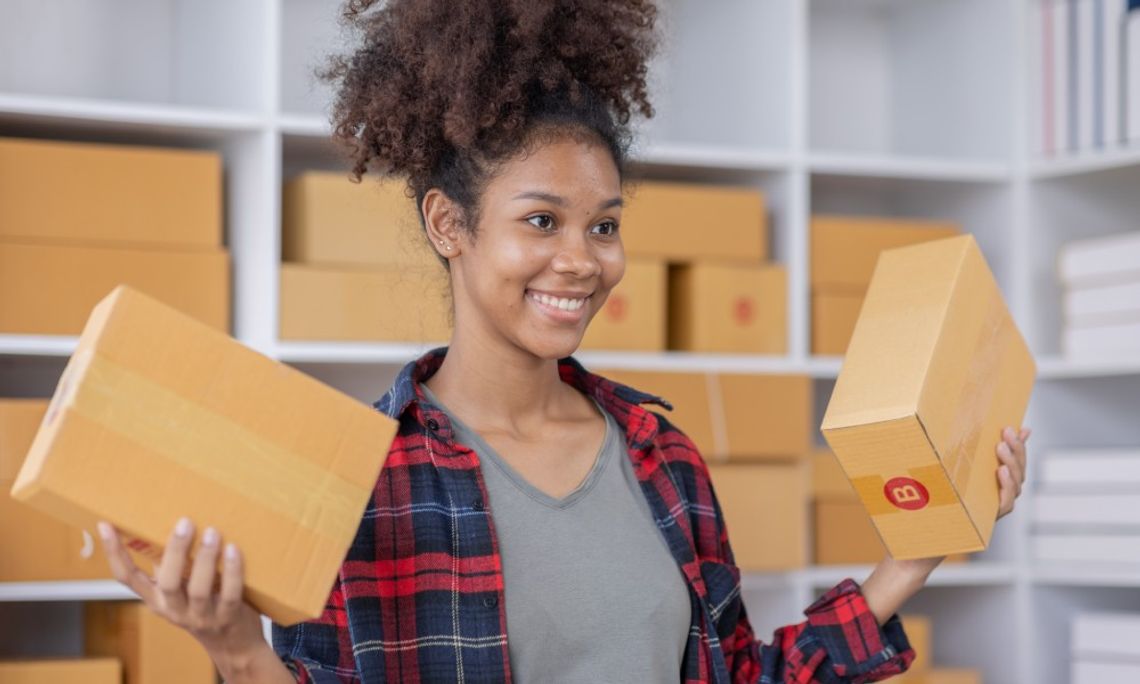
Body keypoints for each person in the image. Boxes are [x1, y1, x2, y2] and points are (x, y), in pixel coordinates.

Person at [96, 1, 1031, 682]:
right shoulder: (355, 480)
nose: (581, 261)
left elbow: (737, 676)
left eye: (604, 225)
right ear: (448, 225)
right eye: (541, 222)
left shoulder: (662, 455)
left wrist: (915, 552)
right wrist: (230, 648)